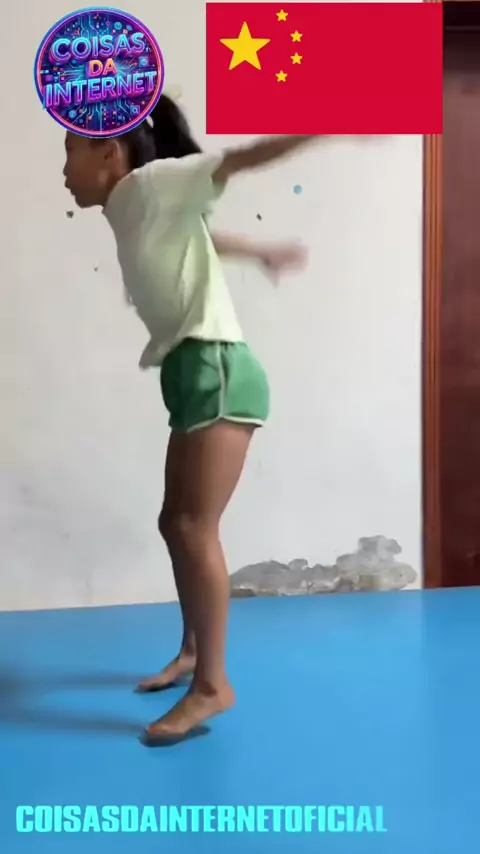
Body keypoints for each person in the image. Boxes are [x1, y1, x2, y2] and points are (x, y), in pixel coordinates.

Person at [63, 94, 315, 741]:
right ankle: (193, 651)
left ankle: (213, 686)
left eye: (70, 152)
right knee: (176, 522)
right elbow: (199, 237)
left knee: (191, 524)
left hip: (216, 369)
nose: (63, 171)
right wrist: (259, 251)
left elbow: (241, 159)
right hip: (191, 370)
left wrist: (323, 125)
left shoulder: (149, 183)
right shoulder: (134, 207)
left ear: (109, 152)